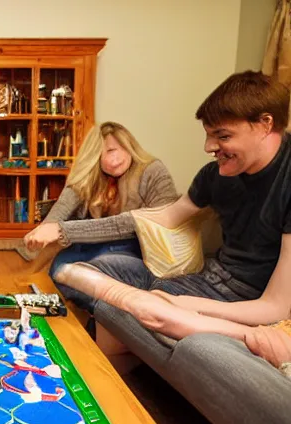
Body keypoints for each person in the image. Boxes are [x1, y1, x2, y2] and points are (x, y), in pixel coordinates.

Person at [52, 70, 291, 336]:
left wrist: (185, 305)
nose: (208, 147)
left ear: (265, 124)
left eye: (223, 136)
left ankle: (140, 310)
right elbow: (163, 217)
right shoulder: (216, 174)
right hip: (201, 279)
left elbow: (276, 307)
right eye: (209, 135)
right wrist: (64, 231)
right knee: (70, 270)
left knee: (124, 307)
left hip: (245, 303)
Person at [23, 121, 178, 307]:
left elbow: (141, 222)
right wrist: (41, 233)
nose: (113, 160)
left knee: (95, 267)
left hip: (144, 252)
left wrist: (62, 230)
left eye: (114, 150)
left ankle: (98, 310)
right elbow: (62, 207)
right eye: (102, 155)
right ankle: (89, 310)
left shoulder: (152, 171)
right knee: (61, 265)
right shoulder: (93, 176)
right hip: (99, 246)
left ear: (129, 146)